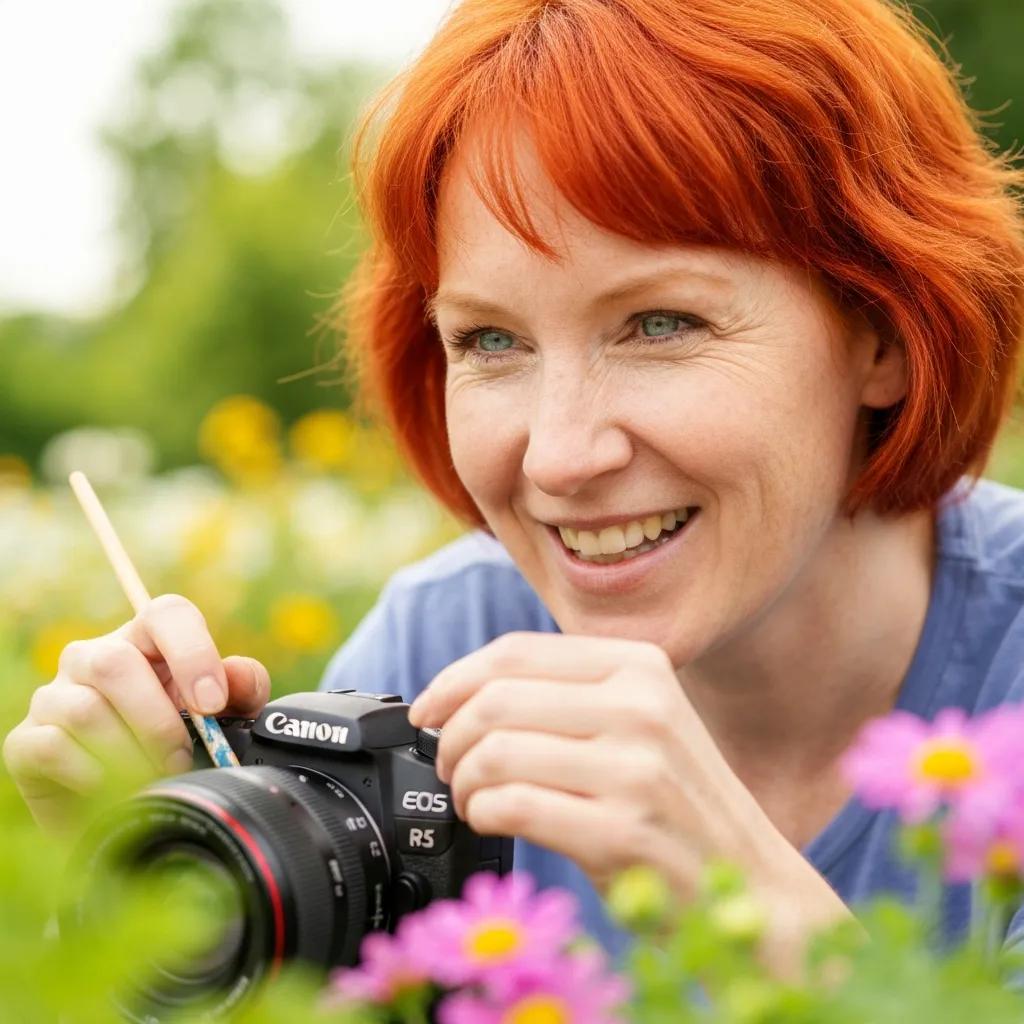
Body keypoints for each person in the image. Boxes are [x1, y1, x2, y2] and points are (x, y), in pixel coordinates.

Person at [4, 0, 1024, 982]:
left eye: (659, 323)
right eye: (490, 340)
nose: (558, 457)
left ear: (881, 332)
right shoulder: (438, 646)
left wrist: (749, 905)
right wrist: (153, 891)